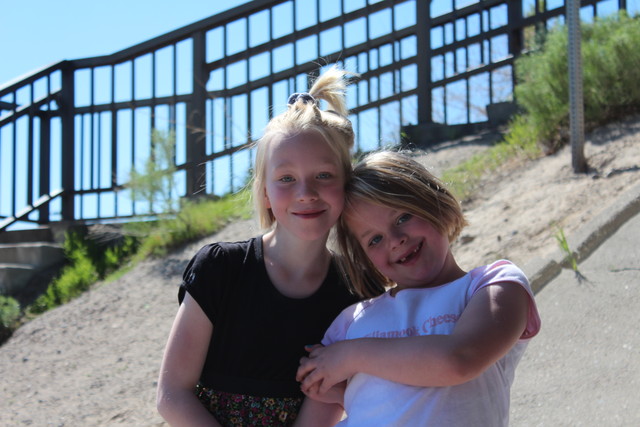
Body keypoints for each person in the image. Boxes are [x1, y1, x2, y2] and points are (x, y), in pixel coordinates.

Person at [156, 65, 359, 427]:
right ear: (264, 191)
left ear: (347, 182)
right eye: (286, 178)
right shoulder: (221, 268)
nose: (306, 193)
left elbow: (325, 405)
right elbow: (172, 394)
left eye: (324, 175)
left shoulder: (355, 292)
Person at [296, 151, 541, 426]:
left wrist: (351, 356)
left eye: (402, 218)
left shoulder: (494, 284)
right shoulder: (351, 322)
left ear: (433, 202)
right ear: (364, 259)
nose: (396, 240)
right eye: (374, 239)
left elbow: (460, 360)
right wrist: (342, 388)